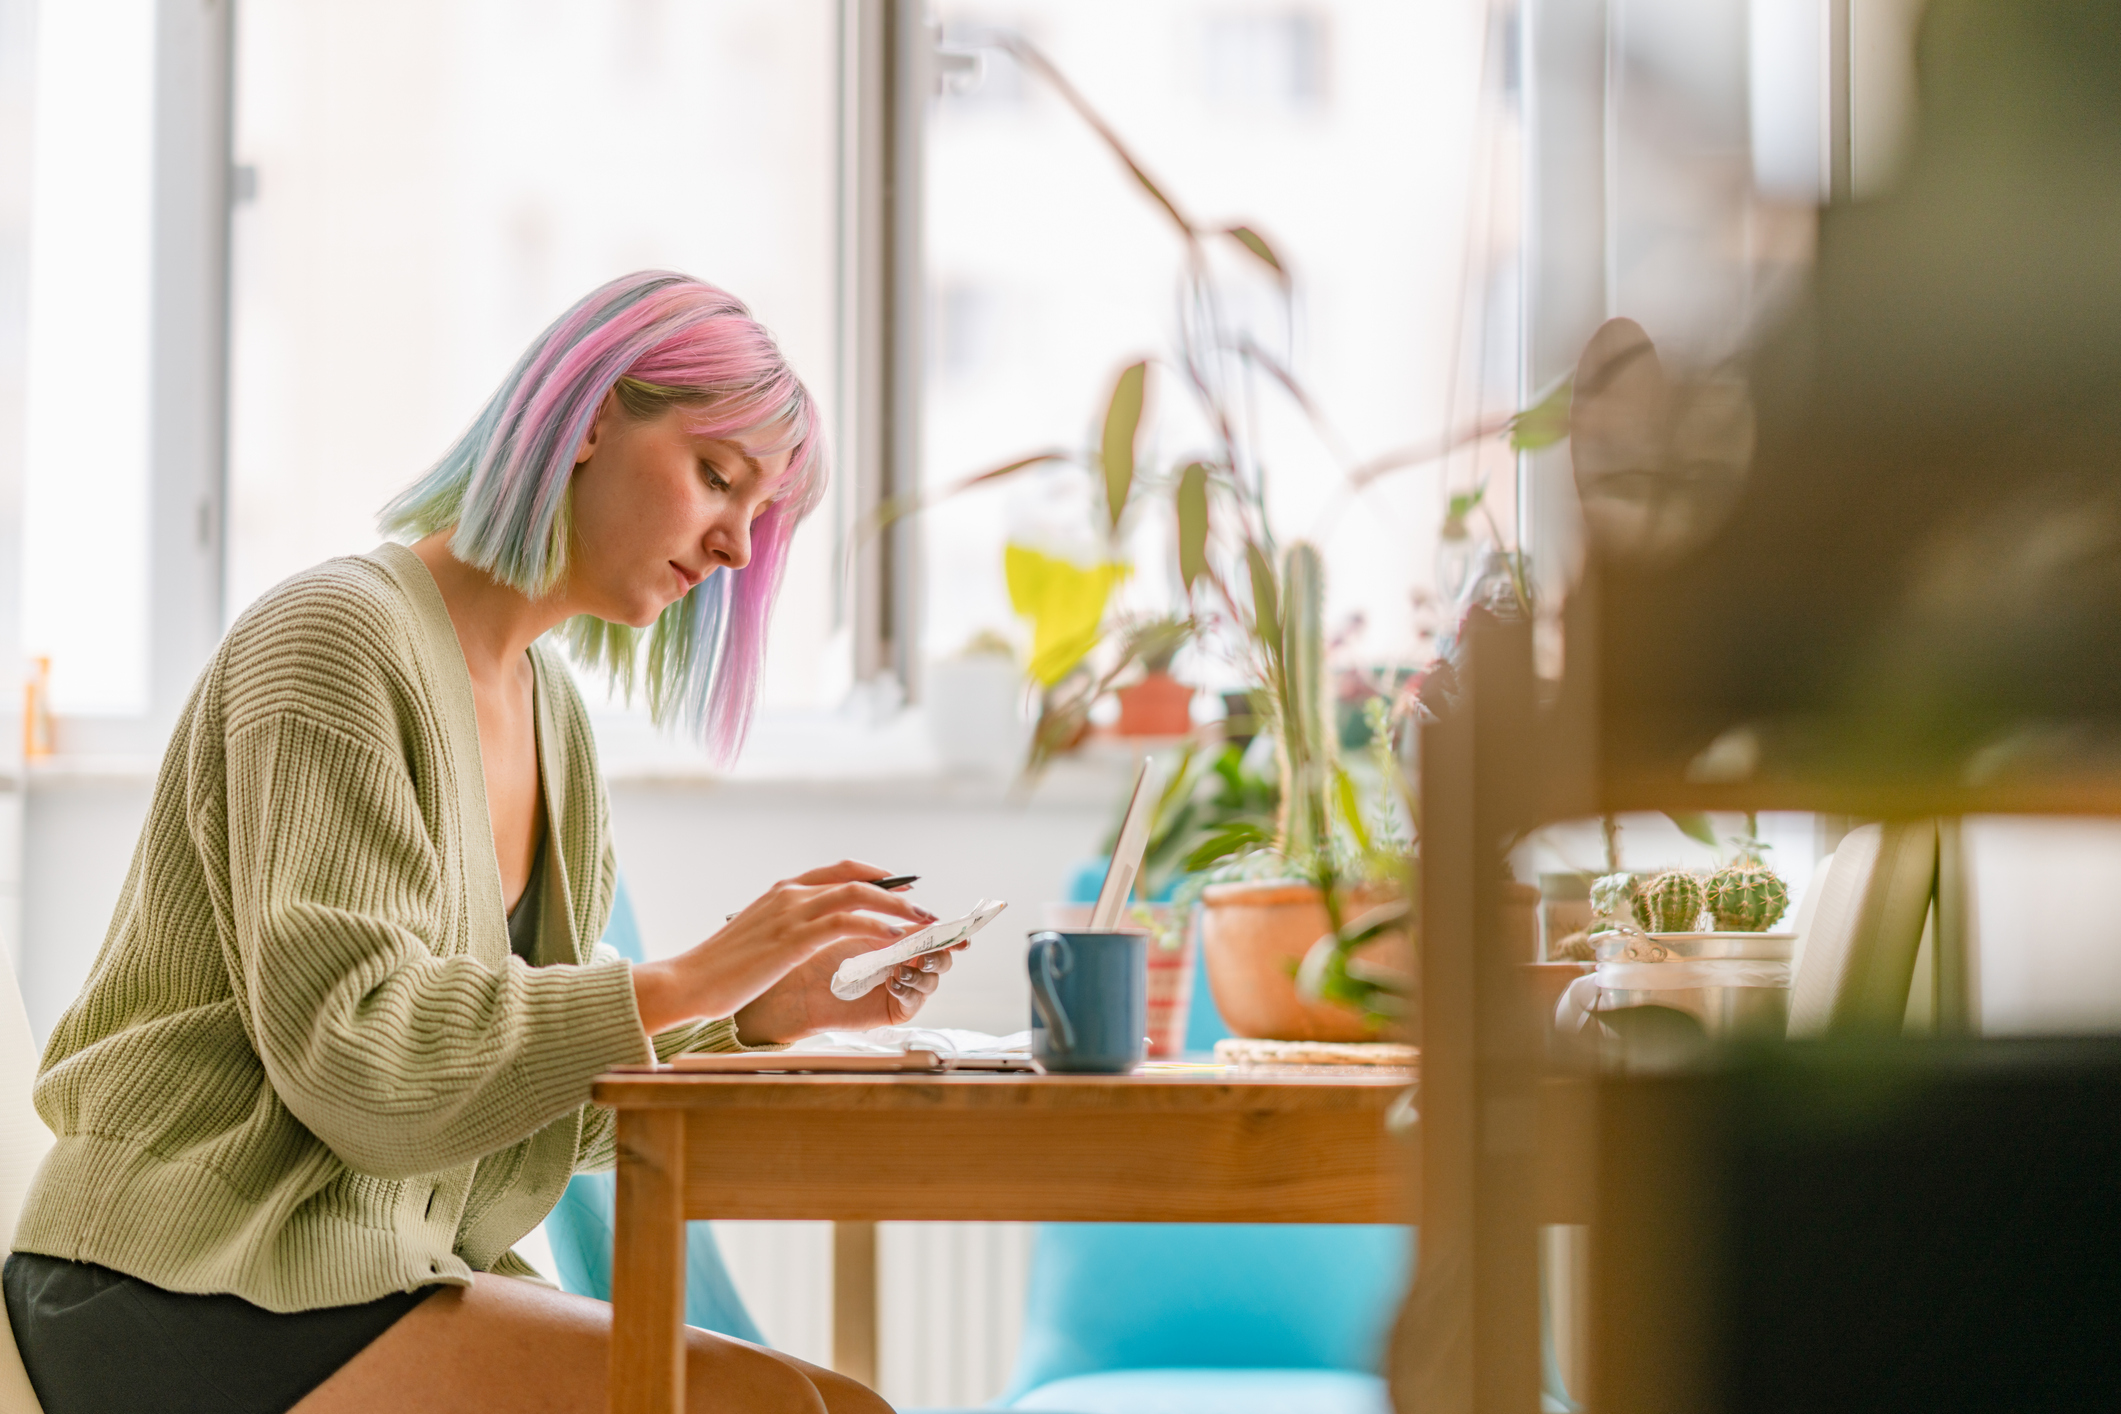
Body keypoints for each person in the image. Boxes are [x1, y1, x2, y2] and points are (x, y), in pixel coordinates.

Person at [2, 271, 953, 1413]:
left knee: (847, 1403)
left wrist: (752, 1018)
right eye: (718, 478)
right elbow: (362, 1071)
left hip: (370, 1274)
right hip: (185, 1283)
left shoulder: (554, 722)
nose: (738, 550)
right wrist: (688, 977)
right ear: (593, 415)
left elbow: (509, 1116)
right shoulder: (332, 644)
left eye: (760, 516)